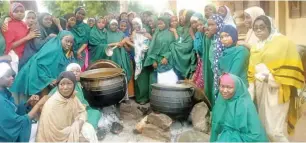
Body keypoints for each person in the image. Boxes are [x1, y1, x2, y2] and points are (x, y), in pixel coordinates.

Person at [248, 15, 304, 142]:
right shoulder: (256, 46)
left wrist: (271, 78)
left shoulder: (284, 42)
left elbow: (292, 66)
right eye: (255, 28)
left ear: (270, 26)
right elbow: (251, 70)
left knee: (274, 131)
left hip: (278, 90)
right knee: (264, 126)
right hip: (260, 90)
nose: (258, 31)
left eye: (262, 27)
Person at [36, 71, 98, 142]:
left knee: (88, 129)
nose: (65, 87)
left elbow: (82, 111)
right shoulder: (52, 104)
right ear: (58, 86)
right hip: (56, 138)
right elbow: (57, 133)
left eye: (69, 83)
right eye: (62, 84)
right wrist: (75, 129)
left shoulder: (72, 97)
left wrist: (79, 123)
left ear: (74, 85)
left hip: (71, 129)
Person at [10, 30, 74, 97]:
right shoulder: (54, 49)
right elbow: (39, 65)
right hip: (34, 76)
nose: (69, 44)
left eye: (71, 42)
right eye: (66, 41)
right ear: (60, 39)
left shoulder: (62, 51)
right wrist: (48, 80)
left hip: (39, 78)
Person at [210, 73, 268, 142]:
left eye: (229, 87)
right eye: (222, 86)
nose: (224, 91)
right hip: (227, 136)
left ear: (237, 87)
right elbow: (216, 124)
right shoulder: (221, 101)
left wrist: (231, 137)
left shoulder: (245, 105)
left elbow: (255, 135)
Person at [0, 62, 48, 142]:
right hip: (6, 138)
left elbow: (14, 112)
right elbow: (18, 123)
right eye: (8, 76)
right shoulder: (1, 100)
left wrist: (27, 103)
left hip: (11, 131)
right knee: (41, 128)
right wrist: (40, 103)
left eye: (12, 76)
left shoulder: (5, 93)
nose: (12, 78)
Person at [49, 63, 102, 131]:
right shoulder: (62, 86)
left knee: (95, 113)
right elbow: (50, 100)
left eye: (77, 71)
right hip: (67, 113)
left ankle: (86, 130)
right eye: (72, 72)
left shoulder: (79, 85)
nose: (75, 73)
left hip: (81, 110)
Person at [125, 17, 151, 104]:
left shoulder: (146, 32)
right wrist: (133, 34)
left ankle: (144, 98)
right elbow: (133, 41)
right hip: (136, 58)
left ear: (140, 23)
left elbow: (145, 46)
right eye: (133, 24)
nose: (135, 26)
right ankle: (138, 97)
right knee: (137, 77)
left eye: (137, 23)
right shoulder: (134, 33)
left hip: (144, 58)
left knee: (143, 77)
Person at [144, 16, 176, 85]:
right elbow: (153, 47)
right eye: (158, 24)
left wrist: (166, 57)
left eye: (161, 23)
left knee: (169, 83)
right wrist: (153, 60)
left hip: (168, 61)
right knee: (158, 83)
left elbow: (174, 47)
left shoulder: (171, 33)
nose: (160, 25)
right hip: (157, 61)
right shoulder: (156, 34)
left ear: (166, 23)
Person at [204, 14, 224, 106]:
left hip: (222, 74)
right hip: (215, 73)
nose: (210, 27)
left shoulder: (222, 39)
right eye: (209, 25)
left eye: (212, 24)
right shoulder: (214, 37)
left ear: (219, 24)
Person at [170, 10, 196, 79]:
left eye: (184, 16)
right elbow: (180, 41)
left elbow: (188, 45)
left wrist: (173, 45)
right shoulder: (183, 28)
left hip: (185, 55)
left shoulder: (189, 29)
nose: (182, 18)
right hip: (175, 55)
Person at [191, 13, 206, 89]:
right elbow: (197, 46)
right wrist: (197, 52)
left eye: (201, 25)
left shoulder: (206, 35)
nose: (199, 27)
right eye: (197, 26)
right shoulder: (198, 34)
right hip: (200, 59)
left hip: (205, 59)